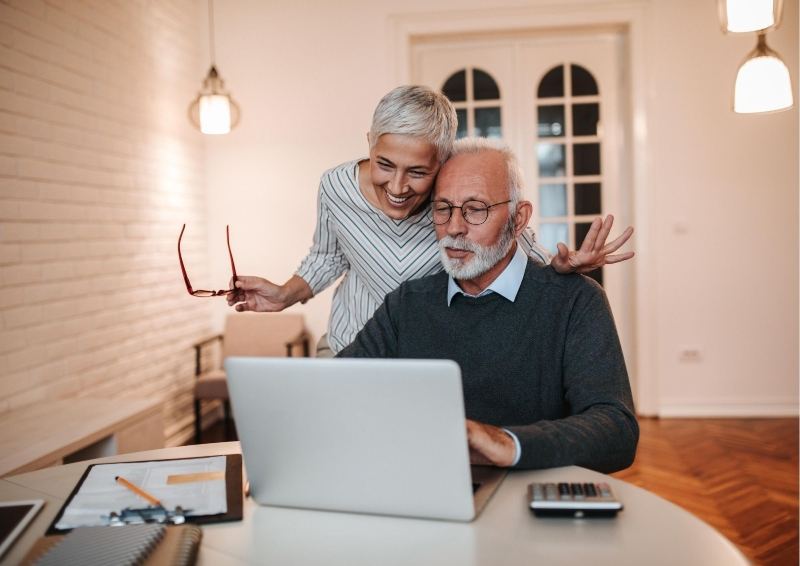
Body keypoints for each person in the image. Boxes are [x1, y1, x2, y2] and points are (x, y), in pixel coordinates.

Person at [228, 86, 634, 357]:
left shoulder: (451, 199)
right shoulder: (336, 186)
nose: (398, 187)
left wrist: (559, 267)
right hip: (349, 344)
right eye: (384, 164)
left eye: (418, 172)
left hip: (427, 354)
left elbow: (513, 237)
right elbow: (327, 257)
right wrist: (284, 294)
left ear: (442, 161)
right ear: (369, 140)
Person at [338, 137, 638, 473]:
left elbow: (616, 430)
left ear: (519, 218)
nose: (454, 228)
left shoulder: (575, 301)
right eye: (443, 208)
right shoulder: (407, 304)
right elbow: (334, 388)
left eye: (475, 209)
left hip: (532, 494)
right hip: (425, 489)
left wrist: (506, 443)